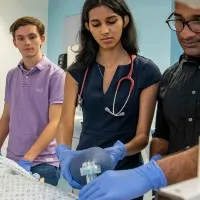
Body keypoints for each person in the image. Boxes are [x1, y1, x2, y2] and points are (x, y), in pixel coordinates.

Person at [77, 1, 200, 199]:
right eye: (178, 21)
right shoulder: (170, 77)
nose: (185, 34)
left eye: (198, 21)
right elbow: (161, 136)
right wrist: (156, 180)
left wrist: (152, 174)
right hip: (173, 192)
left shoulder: (145, 71)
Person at [56, 0, 161, 198]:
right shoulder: (77, 71)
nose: (105, 30)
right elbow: (65, 121)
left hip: (125, 174)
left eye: (111, 21)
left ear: (125, 21)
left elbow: (142, 137)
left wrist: (118, 152)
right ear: (88, 26)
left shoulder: (146, 71)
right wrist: (63, 153)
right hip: (84, 169)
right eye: (96, 24)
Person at [0, 16, 65, 186]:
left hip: (43, 163)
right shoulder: (12, 75)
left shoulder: (56, 75)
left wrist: (28, 158)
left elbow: (55, 122)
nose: (27, 42)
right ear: (15, 43)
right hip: (12, 159)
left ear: (42, 39)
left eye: (32, 36)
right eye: (20, 38)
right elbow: (6, 117)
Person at [78, 145, 198, 200]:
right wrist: (155, 160)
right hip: (168, 190)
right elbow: (161, 135)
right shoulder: (166, 92)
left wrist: (152, 172)